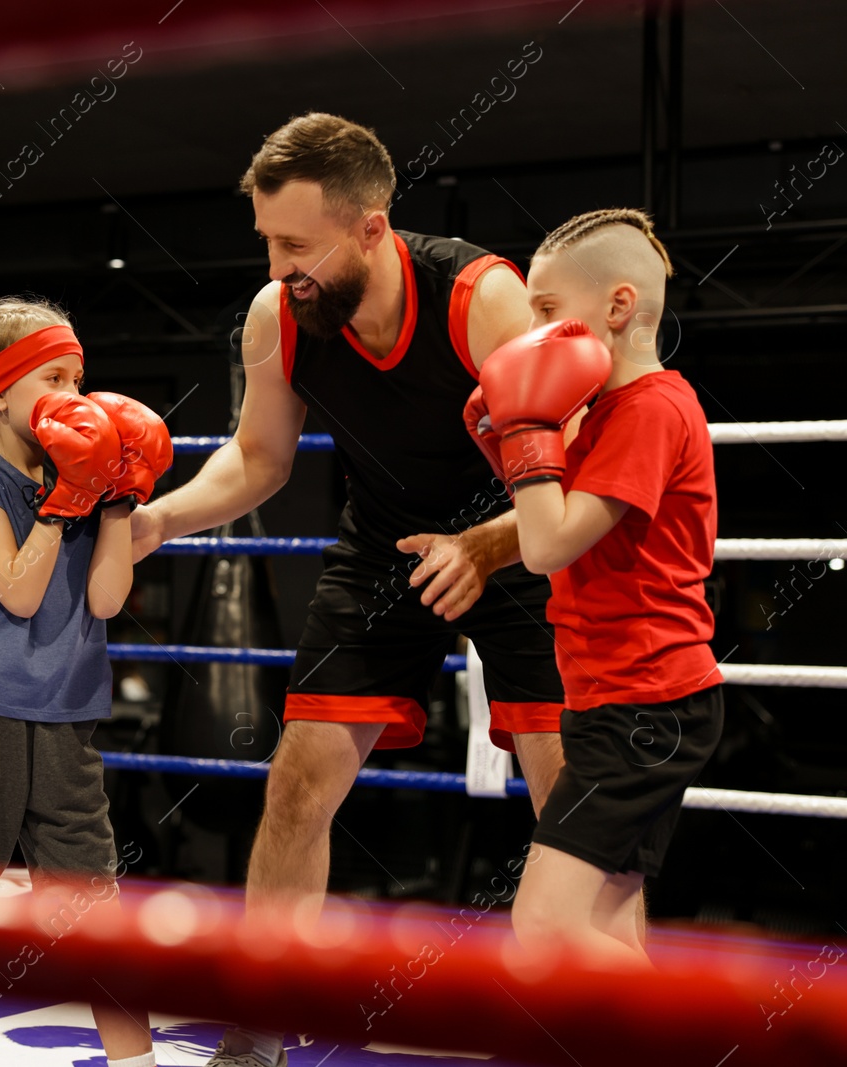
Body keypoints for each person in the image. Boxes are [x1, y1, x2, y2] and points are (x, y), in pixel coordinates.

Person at [126, 112, 592, 1067]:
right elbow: (258, 460)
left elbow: (581, 460)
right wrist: (159, 520)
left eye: (296, 245)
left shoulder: (479, 298)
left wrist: (491, 545)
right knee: (297, 780)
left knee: (571, 795)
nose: (276, 266)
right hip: (385, 544)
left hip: (519, 539)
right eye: (266, 240)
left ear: (373, 226)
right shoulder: (278, 317)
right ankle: (261, 1018)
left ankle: (592, 1019)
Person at [465, 209, 722, 968]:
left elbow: (543, 546)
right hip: (613, 697)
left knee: (543, 927)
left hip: (646, 704)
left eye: (546, 309)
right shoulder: (607, 412)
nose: (530, 329)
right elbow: (558, 520)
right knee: (605, 930)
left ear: (616, 307)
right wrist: (508, 441)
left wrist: (522, 429)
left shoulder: (648, 409)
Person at [0, 296, 172, 1067]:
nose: (74, 393)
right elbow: (20, 591)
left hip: (68, 718)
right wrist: (68, 499)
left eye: (79, 376)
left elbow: (105, 599)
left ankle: (136, 1063)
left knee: (95, 914)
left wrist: (119, 496)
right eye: (52, 376)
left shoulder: (88, 470)